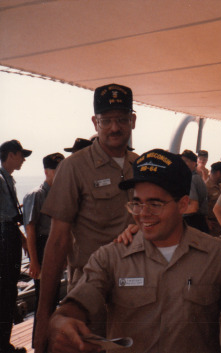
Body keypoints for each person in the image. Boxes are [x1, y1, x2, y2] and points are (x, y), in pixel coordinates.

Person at [47, 149, 221, 353]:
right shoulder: (111, 257)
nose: (143, 214)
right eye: (137, 203)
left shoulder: (216, 255)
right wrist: (61, 322)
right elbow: (78, 303)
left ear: (183, 204)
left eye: (155, 204)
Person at [34, 83, 139, 352]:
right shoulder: (74, 167)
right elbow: (57, 242)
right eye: (106, 120)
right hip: (90, 292)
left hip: (137, 287)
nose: (115, 128)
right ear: (95, 122)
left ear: (133, 120)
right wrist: (44, 319)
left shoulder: (141, 165)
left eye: (122, 119)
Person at [22, 152, 64, 348]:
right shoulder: (36, 195)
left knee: (53, 297)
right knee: (42, 301)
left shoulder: (60, 194)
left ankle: (49, 342)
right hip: (41, 246)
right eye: (57, 171)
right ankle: (39, 345)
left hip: (54, 247)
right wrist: (34, 261)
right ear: (47, 172)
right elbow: (30, 229)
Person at [0, 140, 31, 353]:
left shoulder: (7, 180)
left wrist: (21, 239)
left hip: (9, 237)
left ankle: (4, 344)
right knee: (5, 292)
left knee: (9, 291)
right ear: (11, 155)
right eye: (21, 155)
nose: (24, 159)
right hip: (4, 241)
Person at [181, 149, 209, 233]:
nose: (182, 164)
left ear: (194, 163)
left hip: (193, 222)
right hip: (199, 222)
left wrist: (175, 212)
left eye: (185, 161)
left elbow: (193, 207)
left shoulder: (192, 179)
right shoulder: (195, 177)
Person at [205, 161, 221, 236]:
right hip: (212, 226)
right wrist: (206, 221)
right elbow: (202, 206)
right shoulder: (206, 187)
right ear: (218, 173)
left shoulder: (219, 187)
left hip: (220, 224)